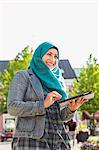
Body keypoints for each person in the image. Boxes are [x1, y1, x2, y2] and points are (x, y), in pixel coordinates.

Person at [7, 42, 88, 150]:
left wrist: (71, 109)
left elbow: (61, 117)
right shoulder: (23, 76)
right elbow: (12, 107)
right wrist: (42, 104)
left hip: (58, 139)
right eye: (49, 54)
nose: (53, 59)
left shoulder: (59, 82)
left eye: (56, 57)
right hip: (31, 140)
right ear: (39, 56)